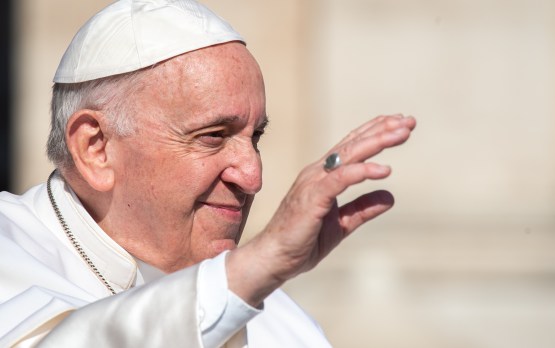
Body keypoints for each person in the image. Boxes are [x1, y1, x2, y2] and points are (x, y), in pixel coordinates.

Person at [0, 0, 416, 347]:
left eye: (256, 137)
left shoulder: (277, 316)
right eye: (213, 136)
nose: (253, 176)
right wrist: (260, 263)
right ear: (96, 148)